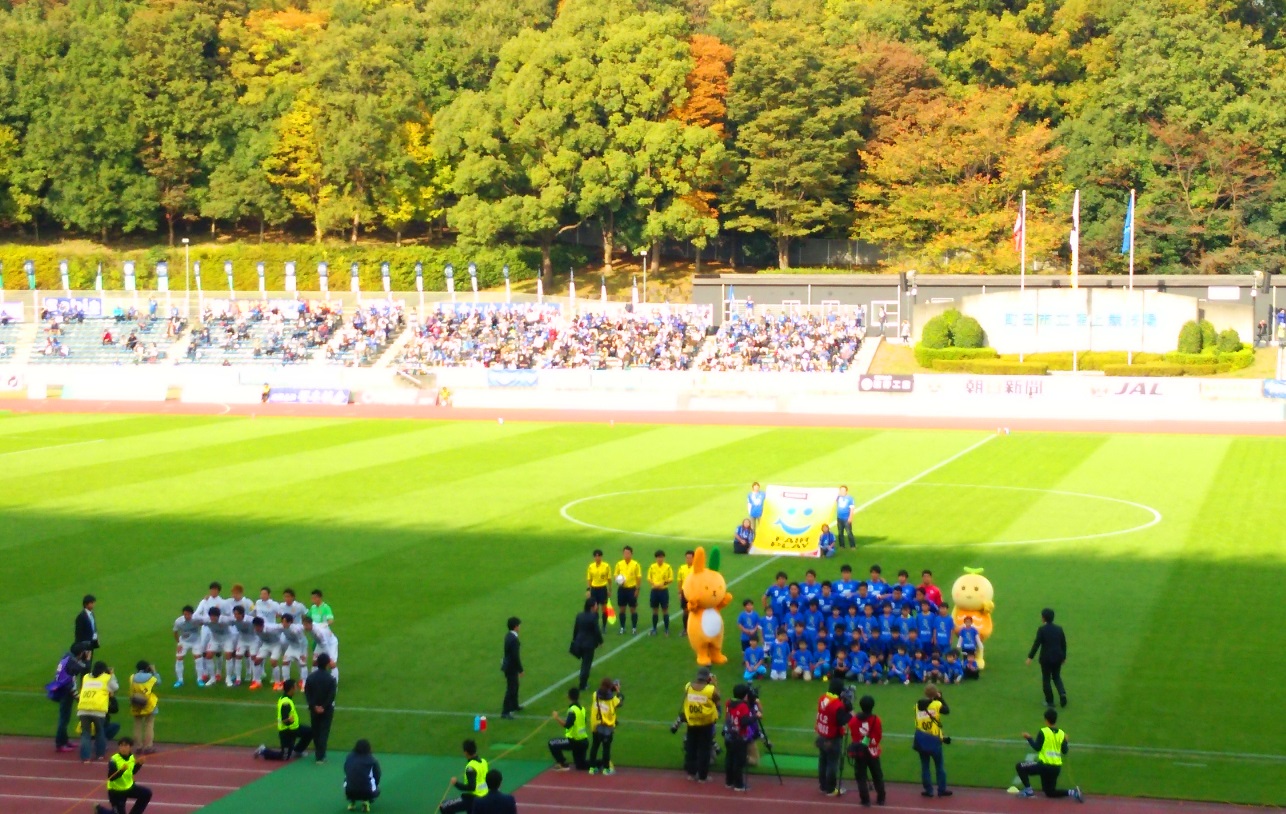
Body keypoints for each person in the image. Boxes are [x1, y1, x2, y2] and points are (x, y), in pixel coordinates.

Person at [1016, 708, 1083, 801]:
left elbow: (1037, 747)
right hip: (1056, 768)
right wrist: (1066, 741)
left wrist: (1029, 738)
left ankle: (1028, 791)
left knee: (1020, 766)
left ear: (1046, 719)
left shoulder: (1043, 731)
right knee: (1049, 792)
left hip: (1044, 766)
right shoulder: (1061, 733)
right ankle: (1073, 792)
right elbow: (1065, 751)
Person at [678, 666, 719, 782]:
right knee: (704, 750)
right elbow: (717, 699)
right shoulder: (710, 689)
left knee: (691, 748)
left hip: (692, 722)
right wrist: (714, 684)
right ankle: (703, 776)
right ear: (708, 677)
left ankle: (691, 773)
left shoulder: (688, 686)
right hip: (706, 723)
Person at [254, 679, 313, 760]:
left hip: (294, 729)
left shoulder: (286, 698)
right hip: (286, 732)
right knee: (284, 756)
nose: (296, 688)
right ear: (291, 689)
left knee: (310, 732)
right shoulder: (286, 702)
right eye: (295, 687)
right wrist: (289, 720)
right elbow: (284, 719)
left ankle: (298, 751)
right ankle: (263, 750)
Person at [50, 642, 92, 753]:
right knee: (64, 719)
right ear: (81, 652)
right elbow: (85, 668)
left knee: (65, 717)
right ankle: (60, 743)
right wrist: (78, 698)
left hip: (61, 688)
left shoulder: (67, 657)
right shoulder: (73, 663)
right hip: (65, 691)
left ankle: (64, 740)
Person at [815, 677, 853, 796]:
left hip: (822, 734)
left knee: (823, 760)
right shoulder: (837, 705)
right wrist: (849, 709)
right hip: (832, 737)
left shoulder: (822, 698)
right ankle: (831, 789)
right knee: (832, 763)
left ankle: (823, 785)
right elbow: (842, 720)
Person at [94, 737, 151, 814]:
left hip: (128, 787)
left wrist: (139, 764)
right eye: (121, 746)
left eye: (125, 746)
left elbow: (132, 772)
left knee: (146, 794)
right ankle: (100, 810)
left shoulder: (131, 757)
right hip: (116, 792)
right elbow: (111, 777)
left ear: (130, 747)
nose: (123, 748)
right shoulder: (114, 760)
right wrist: (121, 770)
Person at [913, 685, 952, 798]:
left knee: (925, 766)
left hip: (921, 739)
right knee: (939, 766)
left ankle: (929, 790)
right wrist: (940, 698)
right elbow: (947, 710)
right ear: (935, 694)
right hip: (934, 739)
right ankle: (941, 789)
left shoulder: (916, 706)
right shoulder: (936, 704)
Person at [848, 695, 885, 807]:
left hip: (859, 752)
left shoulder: (853, 720)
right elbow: (878, 736)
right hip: (872, 752)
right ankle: (881, 798)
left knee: (861, 777)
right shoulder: (876, 719)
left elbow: (853, 734)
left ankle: (865, 800)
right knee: (877, 775)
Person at [1027, 608, 1068, 708]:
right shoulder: (1059, 629)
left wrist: (1030, 657)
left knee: (1046, 679)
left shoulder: (1042, 630)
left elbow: (1037, 644)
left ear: (1044, 618)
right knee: (1056, 677)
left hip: (1046, 659)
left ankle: (1050, 701)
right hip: (1058, 657)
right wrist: (1064, 656)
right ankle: (1062, 694)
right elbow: (1063, 643)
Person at [79, 661, 118, 764]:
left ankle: (85, 757)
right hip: (98, 709)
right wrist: (112, 674)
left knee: (85, 734)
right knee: (99, 732)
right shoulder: (106, 678)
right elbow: (115, 687)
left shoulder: (86, 677)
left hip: (83, 708)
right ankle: (100, 754)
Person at [440, 739, 489, 813]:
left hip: (473, 798)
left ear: (466, 752)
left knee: (444, 806)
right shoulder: (483, 761)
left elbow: (471, 787)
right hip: (484, 796)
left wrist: (456, 783)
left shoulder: (470, 767)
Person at [305, 653, 337, 763]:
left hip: (314, 709)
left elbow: (307, 694)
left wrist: (314, 706)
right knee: (324, 731)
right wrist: (323, 706)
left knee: (316, 730)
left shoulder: (310, 678)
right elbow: (331, 695)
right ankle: (320, 755)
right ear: (327, 663)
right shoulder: (331, 679)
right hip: (327, 709)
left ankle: (318, 753)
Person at [549, 687, 590, 770]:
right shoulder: (582, 709)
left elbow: (567, 725)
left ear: (568, 696)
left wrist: (556, 717)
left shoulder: (572, 710)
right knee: (581, 765)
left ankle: (562, 764)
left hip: (574, 741)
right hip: (584, 741)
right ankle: (603, 762)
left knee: (552, 743)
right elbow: (583, 721)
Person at [588, 677, 622, 776]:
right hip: (607, 727)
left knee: (595, 746)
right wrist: (618, 691)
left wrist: (611, 689)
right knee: (606, 748)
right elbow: (620, 702)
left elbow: (603, 693)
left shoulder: (595, 695)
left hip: (595, 725)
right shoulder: (612, 699)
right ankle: (606, 769)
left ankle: (592, 768)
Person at [723, 684, 753, 792]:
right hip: (739, 737)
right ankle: (738, 784)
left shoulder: (728, 702)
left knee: (729, 758)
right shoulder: (743, 706)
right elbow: (744, 722)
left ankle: (729, 781)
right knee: (739, 761)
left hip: (729, 734)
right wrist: (755, 717)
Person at [571, 599, 603, 691]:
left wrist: (574, 640)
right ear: (592, 607)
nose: (597, 607)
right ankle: (583, 684)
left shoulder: (579, 615)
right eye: (596, 605)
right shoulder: (593, 617)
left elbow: (576, 629)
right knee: (586, 664)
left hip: (579, 642)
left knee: (584, 663)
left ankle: (583, 682)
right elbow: (596, 631)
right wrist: (600, 641)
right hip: (589, 644)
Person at [129, 662, 160, 755]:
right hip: (148, 704)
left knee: (137, 725)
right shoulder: (151, 678)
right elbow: (159, 682)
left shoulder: (132, 677)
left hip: (136, 703)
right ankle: (148, 747)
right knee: (149, 725)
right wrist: (154, 671)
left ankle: (138, 746)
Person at [344, 739, 381, 812]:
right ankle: (366, 801)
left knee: (347, 779)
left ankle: (352, 802)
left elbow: (346, 770)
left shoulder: (349, 757)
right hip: (367, 792)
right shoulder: (372, 760)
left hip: (349, 791)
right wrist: (375, 785)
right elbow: (377, 775)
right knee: (376, 788)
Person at [302, 616, 340, 683]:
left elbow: (325, 645)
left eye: (306, 625)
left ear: (310, 624)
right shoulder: (312, 626)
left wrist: (329, 657)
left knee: (332, 664)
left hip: (330, 644)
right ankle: (314, 681)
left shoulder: (319, 632)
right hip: (320, 644)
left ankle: (334, 683)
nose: (304, 627)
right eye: (303, 624)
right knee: (315, 662)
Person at [613, 547, 642, 634]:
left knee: (633, 609)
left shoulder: (635, 564)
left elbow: (639, 577)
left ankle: (634, 628)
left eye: (628, 553)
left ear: (631, 554)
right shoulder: (619, 564)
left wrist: (637, 589)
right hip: (622, 589)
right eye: (625, 553)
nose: (626, 555)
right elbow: (615, 574)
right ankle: (622, 627)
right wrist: (618, 581)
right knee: (622, 609)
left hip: (631, 589)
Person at [501, 617, 523, 719]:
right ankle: (505, 711)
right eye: (519, 625)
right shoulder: (513, 639)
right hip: (511, 667)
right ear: (515, 626)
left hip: (508, 666)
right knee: (511, 688)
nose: (520, 627)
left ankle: (514, 705)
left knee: (515, 685)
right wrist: (520, 669)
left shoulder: (508, 636)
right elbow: (515, 656)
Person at [647, 550, 673, 636]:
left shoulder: (668, 567)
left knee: (665, 610)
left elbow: (671, 579)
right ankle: (654, 629)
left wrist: (663, 583)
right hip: (654, 591)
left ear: (664, 558)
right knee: (655, 610)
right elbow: (649, 578)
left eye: (661, 557)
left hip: (663, 591)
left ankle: (666, 629)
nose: (660, 559)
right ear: (656, 558)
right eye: (658, 557)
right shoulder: (652, 567)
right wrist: (653, 584)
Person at [586, 550, 612, 632]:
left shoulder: (606, 566)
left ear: (601, 557)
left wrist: (609, 589)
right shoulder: (591, 567)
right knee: (595, 608)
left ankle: (604, 626)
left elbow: (609, 579)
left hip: (602, 588)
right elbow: (589, 579)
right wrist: (588, 590)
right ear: (594, 557)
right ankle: (596, 626)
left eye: (599, 556)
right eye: (596, 556)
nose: (597, 558)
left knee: (604, 608)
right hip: (594, 589)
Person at [677, 550, 695, 633]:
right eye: (687, 558)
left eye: (690, 558)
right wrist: (679, 593)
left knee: (694, 611)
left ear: (694, 558)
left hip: (693, 593)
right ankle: (685, 629)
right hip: (684, 592)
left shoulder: (697, 568)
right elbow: (680, 581)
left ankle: (693, 629)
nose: (688, 559)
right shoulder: (681, 568)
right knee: (685, 611)